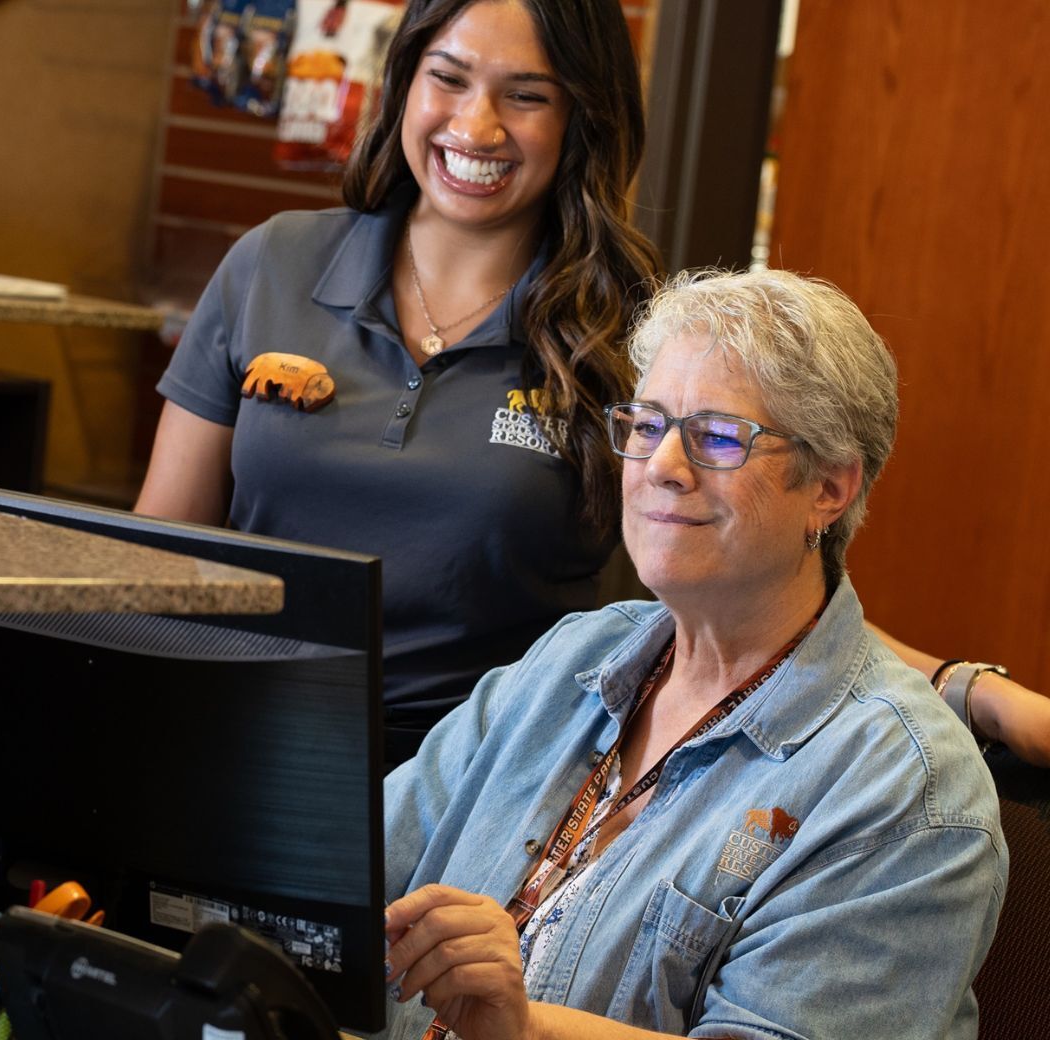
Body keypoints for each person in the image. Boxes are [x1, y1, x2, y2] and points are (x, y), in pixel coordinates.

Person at [137, 0, 1048, 765]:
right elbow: (153, 563)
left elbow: (753, 575)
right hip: (234, 738)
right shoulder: (272, 264)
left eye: (525, 96)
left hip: (486, 777)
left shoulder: (639, 333)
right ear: (405, 80)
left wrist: (966, 691)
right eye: (448, 78)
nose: (476, 127)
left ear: (581, 117)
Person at [377, 269, 1004, 1040]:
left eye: (716, 437)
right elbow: (352, 872)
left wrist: (524, 1029)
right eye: (646, 425)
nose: (663, 466)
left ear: (830, 490)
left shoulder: (903, 784)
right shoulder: (574, 657)